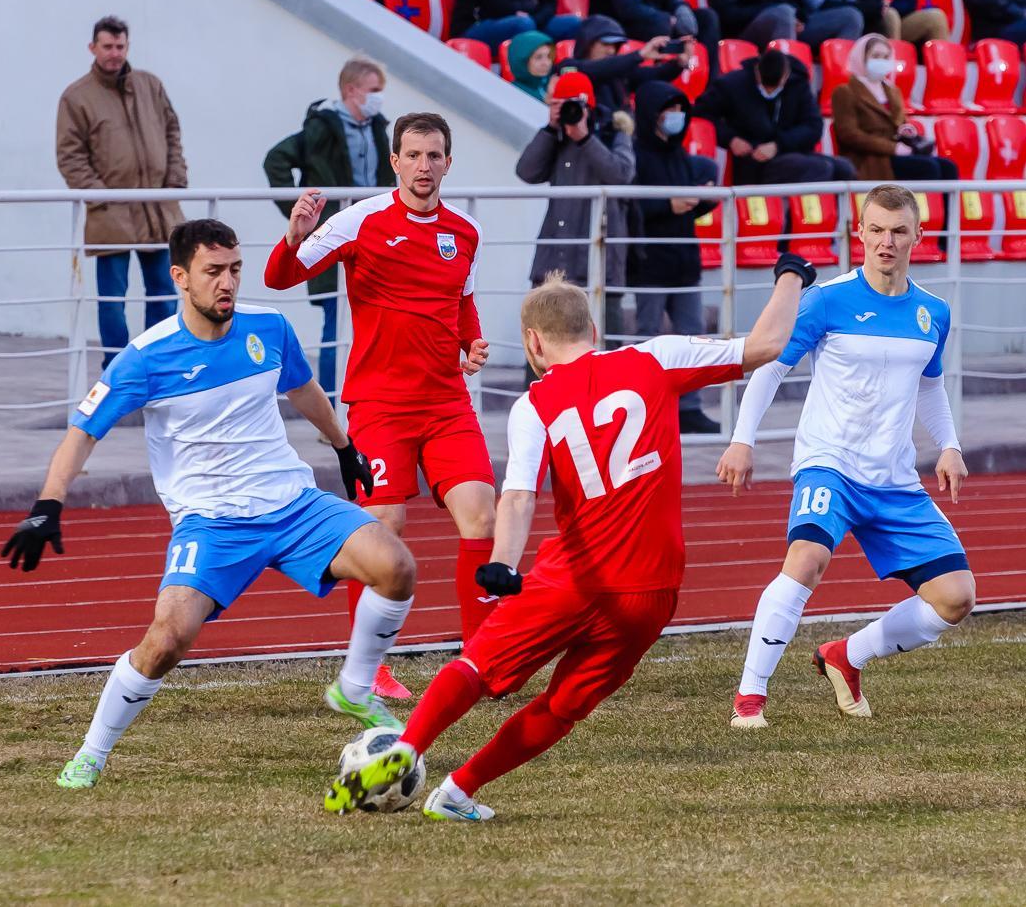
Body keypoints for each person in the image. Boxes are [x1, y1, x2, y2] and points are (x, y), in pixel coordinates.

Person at [326, 257, 815, 819]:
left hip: (575, 578)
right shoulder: (653, 358)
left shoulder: (534, 403)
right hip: (652, 591)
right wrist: (790, 275)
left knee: (478, 665)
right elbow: (766, 343)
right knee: (563, 705)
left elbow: (518, 496)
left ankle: (408, 745)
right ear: (594, 331)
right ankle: (459, 792)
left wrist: (504, 564)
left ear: (533, 342)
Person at [0, 219, 418, 790]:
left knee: (396, 567)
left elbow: (302, 388)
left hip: (292, 504)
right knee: (166, 639)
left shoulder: (268, 328)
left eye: (235, 270)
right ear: (181, 278)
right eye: (213, 272)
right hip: (213, 522)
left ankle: (356, 687)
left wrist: (344, 448)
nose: (228, 283)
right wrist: (47, 505)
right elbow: (82, 433)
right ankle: (92, 752)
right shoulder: (146, 357)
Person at [722, 184, 974, 729]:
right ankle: (750, 696)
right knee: (806, 560)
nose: (887, 242)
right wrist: (743, 438)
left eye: (898, 231)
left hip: (895, 479)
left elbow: (930, 385)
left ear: (918, 237)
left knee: (956, 598)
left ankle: (846, 656)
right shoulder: (827, 299)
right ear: (858, 233)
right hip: (829, 465)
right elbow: (770, 368)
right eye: (877, 230)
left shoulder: (934, 312)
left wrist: (948, 445)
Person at [264, 113, 498, 700]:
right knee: (381, 531)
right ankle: (370, 670)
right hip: (379, 405)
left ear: (449, 161)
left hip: (447, 403)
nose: (424, 166)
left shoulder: (466, 230)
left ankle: (483, 661)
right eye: (413, 155)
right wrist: (294, 234)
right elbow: (279, 278)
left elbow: (462, 302)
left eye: (434, 155)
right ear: (394, 161)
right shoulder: (360, 220)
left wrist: (472, 343)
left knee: (483, 517)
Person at [56, 15, 187, 369]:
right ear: (93, 48)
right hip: (110, 213)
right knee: (112, 299)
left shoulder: (150, 85)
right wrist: (103, 196)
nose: (114, 53)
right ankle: (118, 370)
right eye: (107, 46)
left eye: (120, 46)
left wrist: (174, 182)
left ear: (127, 46)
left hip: (158, 210)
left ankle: (158, 364)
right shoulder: (76, 96)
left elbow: (172, 132)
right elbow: (70, 157)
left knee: (163, 292)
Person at [263, 56, 395, 403]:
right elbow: (275, 160)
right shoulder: (320, 128)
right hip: (334, 234)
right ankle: (331, 407)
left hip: (374, 236)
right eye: (374, 90)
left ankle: (368, 400)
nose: (379, 97)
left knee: (375, 318)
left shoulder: (378, 127)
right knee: (335, 320)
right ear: (351, 90)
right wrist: (300, 216)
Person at [516, 70, 635, 350]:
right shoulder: (554, 139)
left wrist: (584, 138)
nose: (569, 113)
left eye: (574, 106)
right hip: (553, 265)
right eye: (560, 105)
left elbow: (622, 174)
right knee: (542, 351)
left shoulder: (612, 133)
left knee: (607, 351)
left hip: (600, 265)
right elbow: (526, 171)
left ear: (588, 107)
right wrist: (549, 130)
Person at [632, 80, 723, 434]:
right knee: (646, 338)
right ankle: (643, 405)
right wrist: (667, 205)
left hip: (685, 260)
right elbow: (630, 205)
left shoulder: (682, 155)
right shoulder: (636, 155)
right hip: (650, 262)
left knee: (692, 336)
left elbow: (689, 207)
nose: (675, 117)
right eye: (667, 110)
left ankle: (690, 407)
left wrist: (704, 199)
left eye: (679, 109)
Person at [694, 48, 855, 185]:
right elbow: (701, 113)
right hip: (753, 160)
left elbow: (813, 127)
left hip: (789, 150)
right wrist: (731, 139)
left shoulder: (798, 84)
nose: (770, 92)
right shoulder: (732, 84)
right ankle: (800, 220)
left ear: (786, 76)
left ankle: (842, 219)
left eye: (775, 87)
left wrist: (778, 145)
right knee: (818, 168)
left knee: (844, 168)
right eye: (765, 86)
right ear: (757, 71)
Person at [831, 34, 960, 183]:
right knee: (928, 168)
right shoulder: (845, 91)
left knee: (948, 167)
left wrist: (906, 130)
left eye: (886, 57)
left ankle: (945, 207)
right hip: (871, 158)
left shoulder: (892, 90)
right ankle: (923, 206)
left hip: (898, 152)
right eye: (876, 56)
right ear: (861, 58)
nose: (882, 61)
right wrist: (893, 148)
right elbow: (849, 135)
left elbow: (900, 122)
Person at [558, 16, 691, 132]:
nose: (611, 51)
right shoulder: (569, 66)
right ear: (588, 43)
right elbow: (598, 70)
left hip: (620, 142)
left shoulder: (619, 73)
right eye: (605, 44)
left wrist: (678, 64)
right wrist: (639, 55)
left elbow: (653, 75)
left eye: (616, 46)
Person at [588, 0, 721, 67]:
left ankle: (709, 87)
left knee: (707, 19)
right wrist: (668, 19)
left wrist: (681, 10)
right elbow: (628, 7)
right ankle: (660, 79)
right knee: (660, 25)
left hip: (655, 22)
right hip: (617, 25)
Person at [452, 0, 582, 51]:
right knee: (523, 25)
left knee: (572, 23)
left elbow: (549, 3)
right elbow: (499, 6)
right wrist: (532, 4)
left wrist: (535, 19)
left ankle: (556, 78)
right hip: (475, 25)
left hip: (527, 20)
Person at [705, 0, 800, 49]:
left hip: (785, 17)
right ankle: (788, 71)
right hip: (740, 30)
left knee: (798, 17)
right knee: (783, 15)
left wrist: (799, 17)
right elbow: (726, 14)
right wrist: (770, 9)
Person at [850, 0, 949, 44]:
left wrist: (888, 6)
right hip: (859, 21)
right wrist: (878, 7)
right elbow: (849, 0)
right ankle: (893, 68)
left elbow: (909, 0)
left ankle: (941, 70)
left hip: (884, 18)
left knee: (936, 17)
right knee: (891, 16)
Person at [783, 0, 866, 50]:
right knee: (851, 17)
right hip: (804, 21)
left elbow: (850, 0)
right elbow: (817, 3)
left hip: (835, 15)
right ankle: (839, 64)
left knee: (872, 17)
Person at [507, 31, 556, 101]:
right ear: (522, 62)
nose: (546, 63)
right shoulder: (514, 94)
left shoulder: (550, 85)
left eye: (549, 56)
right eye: (538, 57)